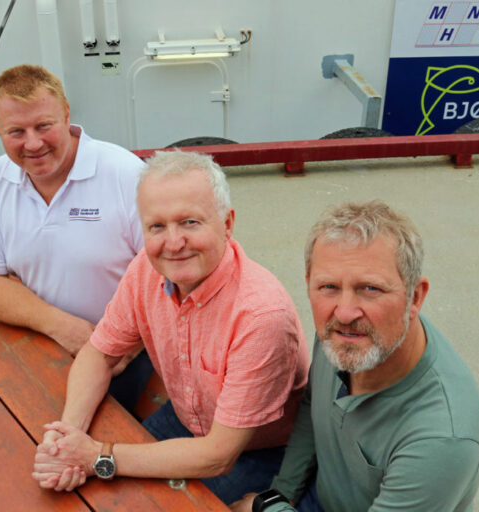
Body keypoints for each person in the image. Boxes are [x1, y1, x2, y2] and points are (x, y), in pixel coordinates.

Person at [31, 150, 311, 504]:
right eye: (157, 227)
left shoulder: (260, 316)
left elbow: (219, 455)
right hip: (185, 418)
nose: (174, 243)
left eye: (190, 222)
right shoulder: (146, 270)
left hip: (254, 449)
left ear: (227, 223)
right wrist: (67, 437)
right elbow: (99, 354)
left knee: (127, 503)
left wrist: (97, 457)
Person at [232, 200, 479, 512]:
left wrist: (266, 507)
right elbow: (312, 406)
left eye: (370, 289)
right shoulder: (342, 336)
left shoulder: (443, 438)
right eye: (329, 286)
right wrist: (282, 492)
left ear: (415, 297)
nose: (345, 312)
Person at [0, 64, 151, 410]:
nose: (33, 144)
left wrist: (122, 342)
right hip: (42, 342)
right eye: (16, 131)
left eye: (43, 126)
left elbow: (169, 274)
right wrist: (61, 327)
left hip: (127, 353)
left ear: (66, 114)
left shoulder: (126, 175)